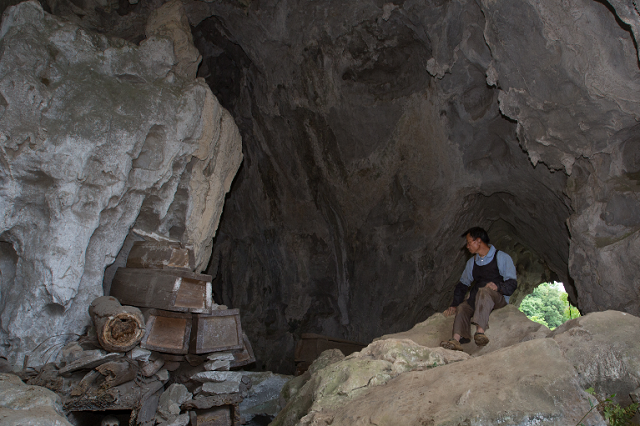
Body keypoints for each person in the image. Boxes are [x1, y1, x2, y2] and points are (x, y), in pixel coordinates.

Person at [440, 227, 517, 351]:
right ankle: (456, 340)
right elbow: (463, 285)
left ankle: (480, 332)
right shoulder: (472, 262)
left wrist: (498, 287)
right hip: (478, 299)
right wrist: (454, 305)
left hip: (498, 298)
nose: (467, 246)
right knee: (463, 307)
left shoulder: (501, 257)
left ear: (478, 241)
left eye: (469, 242)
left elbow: (512, 283)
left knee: (484, 291)